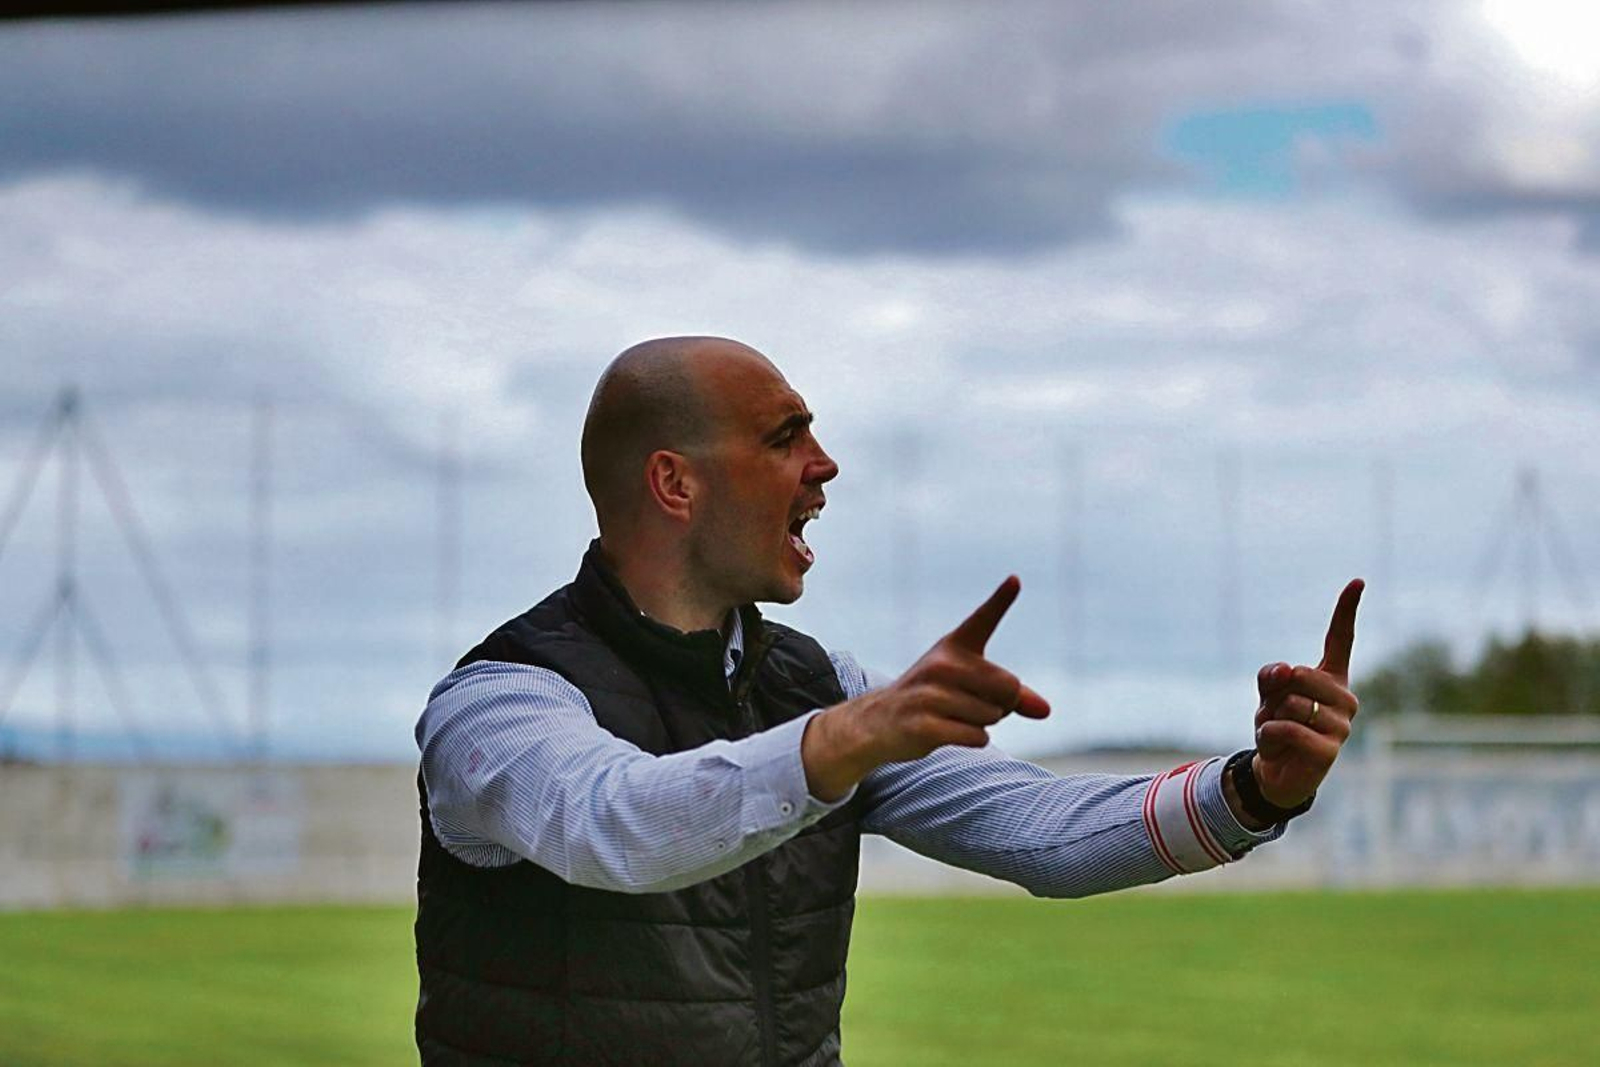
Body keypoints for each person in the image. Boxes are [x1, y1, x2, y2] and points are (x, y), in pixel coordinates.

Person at [413, 336, 1364, 1067]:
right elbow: (609, 822)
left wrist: (1251, 793)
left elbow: (1041, 832)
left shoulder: (823, 689)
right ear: (675, 482)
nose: (825, 467)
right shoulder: (497, 703)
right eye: (786, 437)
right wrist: (839, 742)